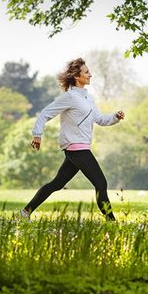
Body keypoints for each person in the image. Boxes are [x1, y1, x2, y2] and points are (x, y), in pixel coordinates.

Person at [20, 58, 125, 221]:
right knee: (101, 183)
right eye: (87, 72)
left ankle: (25, 212)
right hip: (76, 148)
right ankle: (111, 222)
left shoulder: (88, 98)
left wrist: (115, 117)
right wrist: (37, 134)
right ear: (77, 76)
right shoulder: (69, 97)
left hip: (81, 148)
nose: (90, 75)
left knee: (56, 184)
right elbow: (45, 113)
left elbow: (100, 119)